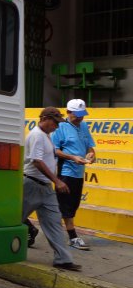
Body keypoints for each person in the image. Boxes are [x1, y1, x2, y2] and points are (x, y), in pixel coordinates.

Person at [22, 106, 81, 271]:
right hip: (32, 185)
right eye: (55, 122)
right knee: (13, 219)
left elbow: (51, 153)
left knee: (54, 222)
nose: (57, 126)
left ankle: (63, 259)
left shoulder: (46, 136)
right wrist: (57, 181)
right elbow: (36, 161)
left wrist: (72, 157)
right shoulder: (36, 135)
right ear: (45, 119)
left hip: (45, 188)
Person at [52, 99, 96, 251]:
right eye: (76, 115)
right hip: (65, 173)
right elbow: (55, 150)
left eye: (82, 115)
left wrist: (91, 154)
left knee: (72, 205)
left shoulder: (83, 126)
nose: (80, 118)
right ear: (68, 112)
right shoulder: (60, 127)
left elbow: (90, 147)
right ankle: (73, 237)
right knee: (65, 206)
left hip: (78, 173)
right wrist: (73, 157)